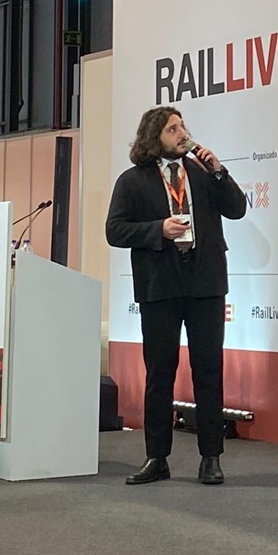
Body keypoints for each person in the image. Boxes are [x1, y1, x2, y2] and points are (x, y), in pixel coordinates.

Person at [106, 105, 246, 486]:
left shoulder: (203, 173)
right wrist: (157, 230)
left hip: (205, 285)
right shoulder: (132, 181)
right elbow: (114, 230)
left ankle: (211, 458)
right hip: (160, 286)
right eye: (172, 129)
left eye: (183, 126)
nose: (182, 133)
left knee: (209, 370)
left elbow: (238, 209)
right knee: (160, 373)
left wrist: (219, 170)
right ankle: (157, 458)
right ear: (154, 138)